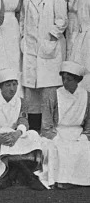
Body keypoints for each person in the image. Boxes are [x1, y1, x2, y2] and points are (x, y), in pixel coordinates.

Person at [20, 0, 68, 131]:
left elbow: (62, 20)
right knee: (31, 91)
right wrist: (23, 39)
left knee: (48, 90)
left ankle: (47, 130)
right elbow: (23, 21)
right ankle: (31, 130)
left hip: (48, 49)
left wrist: (51, 36)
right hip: (31, 48)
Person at [0, 68, 44, 191]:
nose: (12, 89)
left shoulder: (21, 102)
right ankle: (29, 176)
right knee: (4, 140)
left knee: (33, 134)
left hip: (14, 138)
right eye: (8, 85)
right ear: (0, 86)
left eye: (15, 84)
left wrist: (17, 133)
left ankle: (10, 175)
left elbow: (23, 121)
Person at [38, 61, 90, 189]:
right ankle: (61, 180)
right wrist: (55, 137)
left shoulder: (86, 96)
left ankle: (79, 180)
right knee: (61, 148)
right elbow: (46, 124)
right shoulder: (53, 95)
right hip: (57, 131)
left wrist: (84, 136)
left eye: (69, 79)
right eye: (63, 78)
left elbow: (88, 124)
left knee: (84, 147)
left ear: (78, 80)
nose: (65, 82)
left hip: (78, 132)